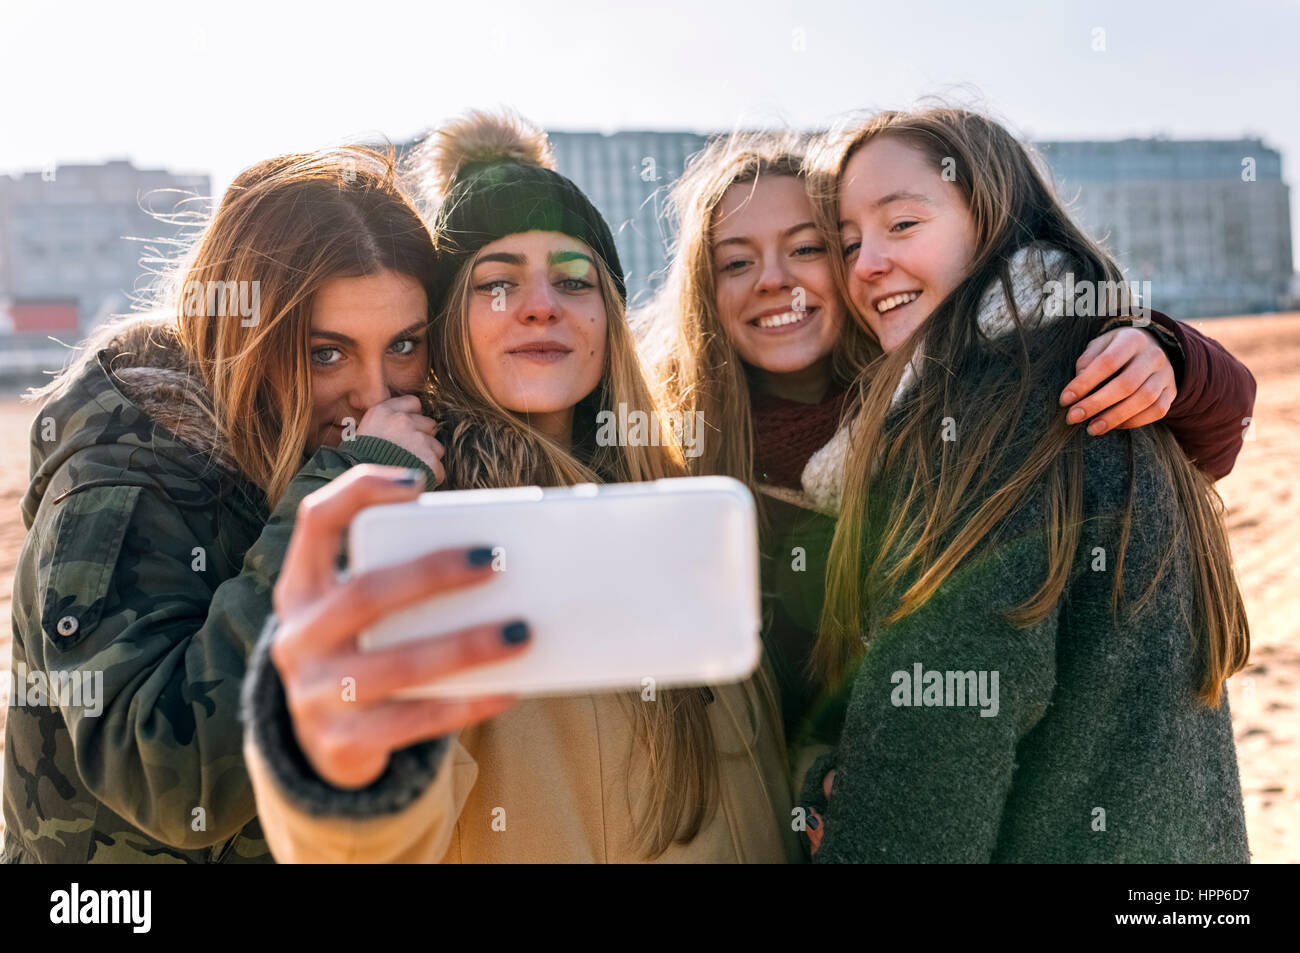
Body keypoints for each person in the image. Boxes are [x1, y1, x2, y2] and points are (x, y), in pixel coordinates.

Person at [241, 111, 804, 863]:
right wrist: (342, 781)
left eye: (574, 280)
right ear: (446, 325)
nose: (541, 304)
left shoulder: (687, 500)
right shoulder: (430, 542)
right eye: (499, 283)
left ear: (609, 316)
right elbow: (367, 836)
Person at [642, 130, 1256, 752]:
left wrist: (1170, 355)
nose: (773, 280)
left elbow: (1210, 433)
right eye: (736, 262)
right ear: (704, 290)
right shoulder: (672, 443)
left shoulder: (938, 396)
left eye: (807, 248)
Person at [802, 107, 1250, 862]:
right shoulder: (1086, 371)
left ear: (997, 220)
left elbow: (934, 759)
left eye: (902, 223)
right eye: (849, 243)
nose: (866, 264)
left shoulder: (990, 430)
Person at [1, 146, 450, 863]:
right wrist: (332, 509)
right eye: (325, 352)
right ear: (246, 338)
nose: (375, 392)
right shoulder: (119, 482)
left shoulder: (326, 444)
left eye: (404, 344)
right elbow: (172, 779)